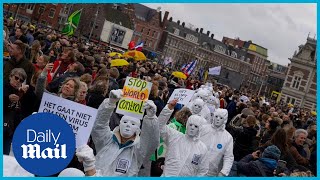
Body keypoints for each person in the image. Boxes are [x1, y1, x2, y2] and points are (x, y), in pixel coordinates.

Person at [76, 90, 160, 176]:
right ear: (119, 124)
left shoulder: (139, 149)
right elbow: (99, 126)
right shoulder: (107, 139)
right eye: (125, 122)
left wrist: (151, 118)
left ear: (138, 129)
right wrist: (110, 103)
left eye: (133, 124)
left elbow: (151, 141)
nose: (128, 125)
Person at [157, 100, 209, 176]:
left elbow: (203, 171)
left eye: (196, 126)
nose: (192, 128)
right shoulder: (175, 137)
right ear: (187, 124)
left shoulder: (202, 148)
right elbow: (160, 127)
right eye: (190, 125)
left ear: (200, 129)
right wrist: (168, 109)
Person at [199, 108, 234, 176]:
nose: (218, 119)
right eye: (216, 116)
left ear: (225, 120)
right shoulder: (203, 129)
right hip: (195, 168)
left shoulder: (228, 137)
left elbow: (228, 157)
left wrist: (223, 172)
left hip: (211, 173)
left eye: (221, 118)